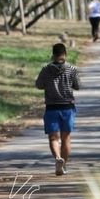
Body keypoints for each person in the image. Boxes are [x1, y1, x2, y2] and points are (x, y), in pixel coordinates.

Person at [35, 43, 80, 176]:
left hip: (51, 108)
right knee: (66, 138)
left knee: (53, 138)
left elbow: (39, 85)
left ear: (53, 55)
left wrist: (49, 85)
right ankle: (63, 164)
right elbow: (77, 86)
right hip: (67, 108)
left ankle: (57, 159)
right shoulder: (71, 69)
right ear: (65, 54)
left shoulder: (45, 69)